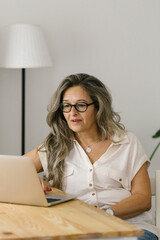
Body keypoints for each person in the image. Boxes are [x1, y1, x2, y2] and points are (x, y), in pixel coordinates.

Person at [24, 73, 158, 240]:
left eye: (81, 105)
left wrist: (103, 214)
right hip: (77, 230)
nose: (72, 112)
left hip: (131, 228)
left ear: (98, 107)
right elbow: (10, 170)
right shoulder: (54, 146)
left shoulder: (127, 142)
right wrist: (30, 181)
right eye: (66, 105)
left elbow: (143, 199)